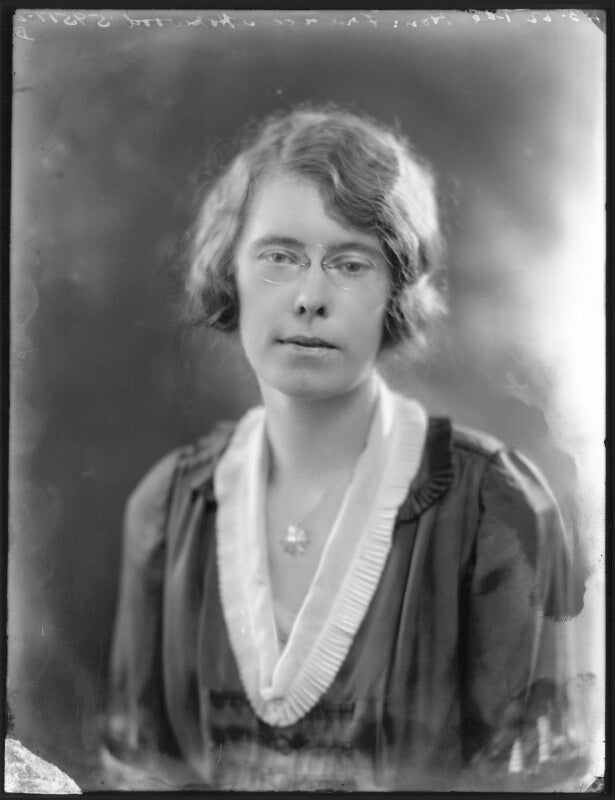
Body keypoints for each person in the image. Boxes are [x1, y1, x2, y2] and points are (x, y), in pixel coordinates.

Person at [102, 106, 589, 791]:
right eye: (279, 257)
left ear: (395, 290)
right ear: (229, 272)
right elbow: (139, 774)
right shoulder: (168, 510)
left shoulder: (497, 509)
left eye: (350, 263)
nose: (310, 296)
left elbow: (540, 780)